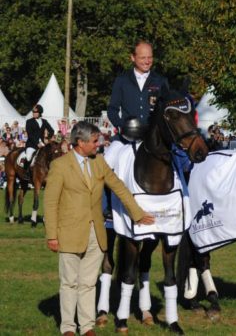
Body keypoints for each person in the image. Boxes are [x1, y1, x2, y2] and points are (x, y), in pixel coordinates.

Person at [43, 121, 154, 336]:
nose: (99, 144)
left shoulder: (99, 162)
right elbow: (50, 203)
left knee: (88, 283)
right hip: (68, 233)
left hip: (97, 233)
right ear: (80, 142)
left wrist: (137, 214)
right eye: (94, 141)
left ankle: (86, 326)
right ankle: (68, 327)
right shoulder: (59, 166)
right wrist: (52, 236)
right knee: (69, 283)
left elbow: (119, 187)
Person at [107, 40, 169, 131]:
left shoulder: (161, 81)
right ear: (133, 57)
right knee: (113, 146)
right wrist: (121, 126)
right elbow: (112, 109)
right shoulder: (121, 80)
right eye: (143, 58)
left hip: (154, 136)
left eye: (150, 57)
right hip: (127, 136)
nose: (147, 61)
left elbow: (168, 109)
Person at [24, 104, 54, 170]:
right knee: (28, 157)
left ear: (40, 113)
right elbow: (30, 135)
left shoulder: (44, 121)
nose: (34, 113)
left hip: (43, 144)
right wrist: (37, 143)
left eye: (35, 112)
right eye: (33, 112)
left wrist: (47, 138)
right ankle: (25, 172)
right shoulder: (29, 122)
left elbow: (52, 131)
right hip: (32, 144)